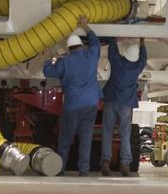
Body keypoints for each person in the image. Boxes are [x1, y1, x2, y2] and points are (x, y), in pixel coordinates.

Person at [43, 18, 101, 176]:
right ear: (81, 46)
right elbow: (95, 42)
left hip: (73, 106)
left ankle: (60, 169)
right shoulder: (91, 55)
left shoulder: (65, 62)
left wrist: (50, 57)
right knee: (86, 139)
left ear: (69, 49)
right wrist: (84, 26)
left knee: (65, 139)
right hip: (91, 104)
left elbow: (49, 72)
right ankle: (84, 170)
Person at [100, 38, 148, 177]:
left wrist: (113, 36)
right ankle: (125, 164)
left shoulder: (117, 62)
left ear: (126, 53)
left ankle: (105, 161)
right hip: (127, 103)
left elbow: (112, 50)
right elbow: (144, 58)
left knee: (107, 132)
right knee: (125, 134)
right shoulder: (137, 67)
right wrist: (143, 42)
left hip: (111, 100)